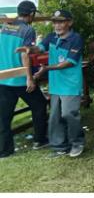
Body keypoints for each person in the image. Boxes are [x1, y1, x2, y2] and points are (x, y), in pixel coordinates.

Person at [17, 10, 85, 158]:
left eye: (61, 21)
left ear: (70, 22)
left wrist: (47, 68)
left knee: (69, 113)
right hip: (56, 85)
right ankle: (60, 146)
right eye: (55, 22)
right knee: (55, 117)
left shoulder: (76, 39)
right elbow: (40, 48)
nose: (57, 25)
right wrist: (30, 49)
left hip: (70, 84)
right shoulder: (51, 37)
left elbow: (68, 63)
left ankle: (77, 142)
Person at [0, 1, 48, 159]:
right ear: (31, 14)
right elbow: (24, 54)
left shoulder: (6, 26)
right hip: (20, 79)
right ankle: (39, 140)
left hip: (4, 78)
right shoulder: (28, 30)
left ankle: (5, 150)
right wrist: (29, 78)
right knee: (40, 105)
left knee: (4, 116)